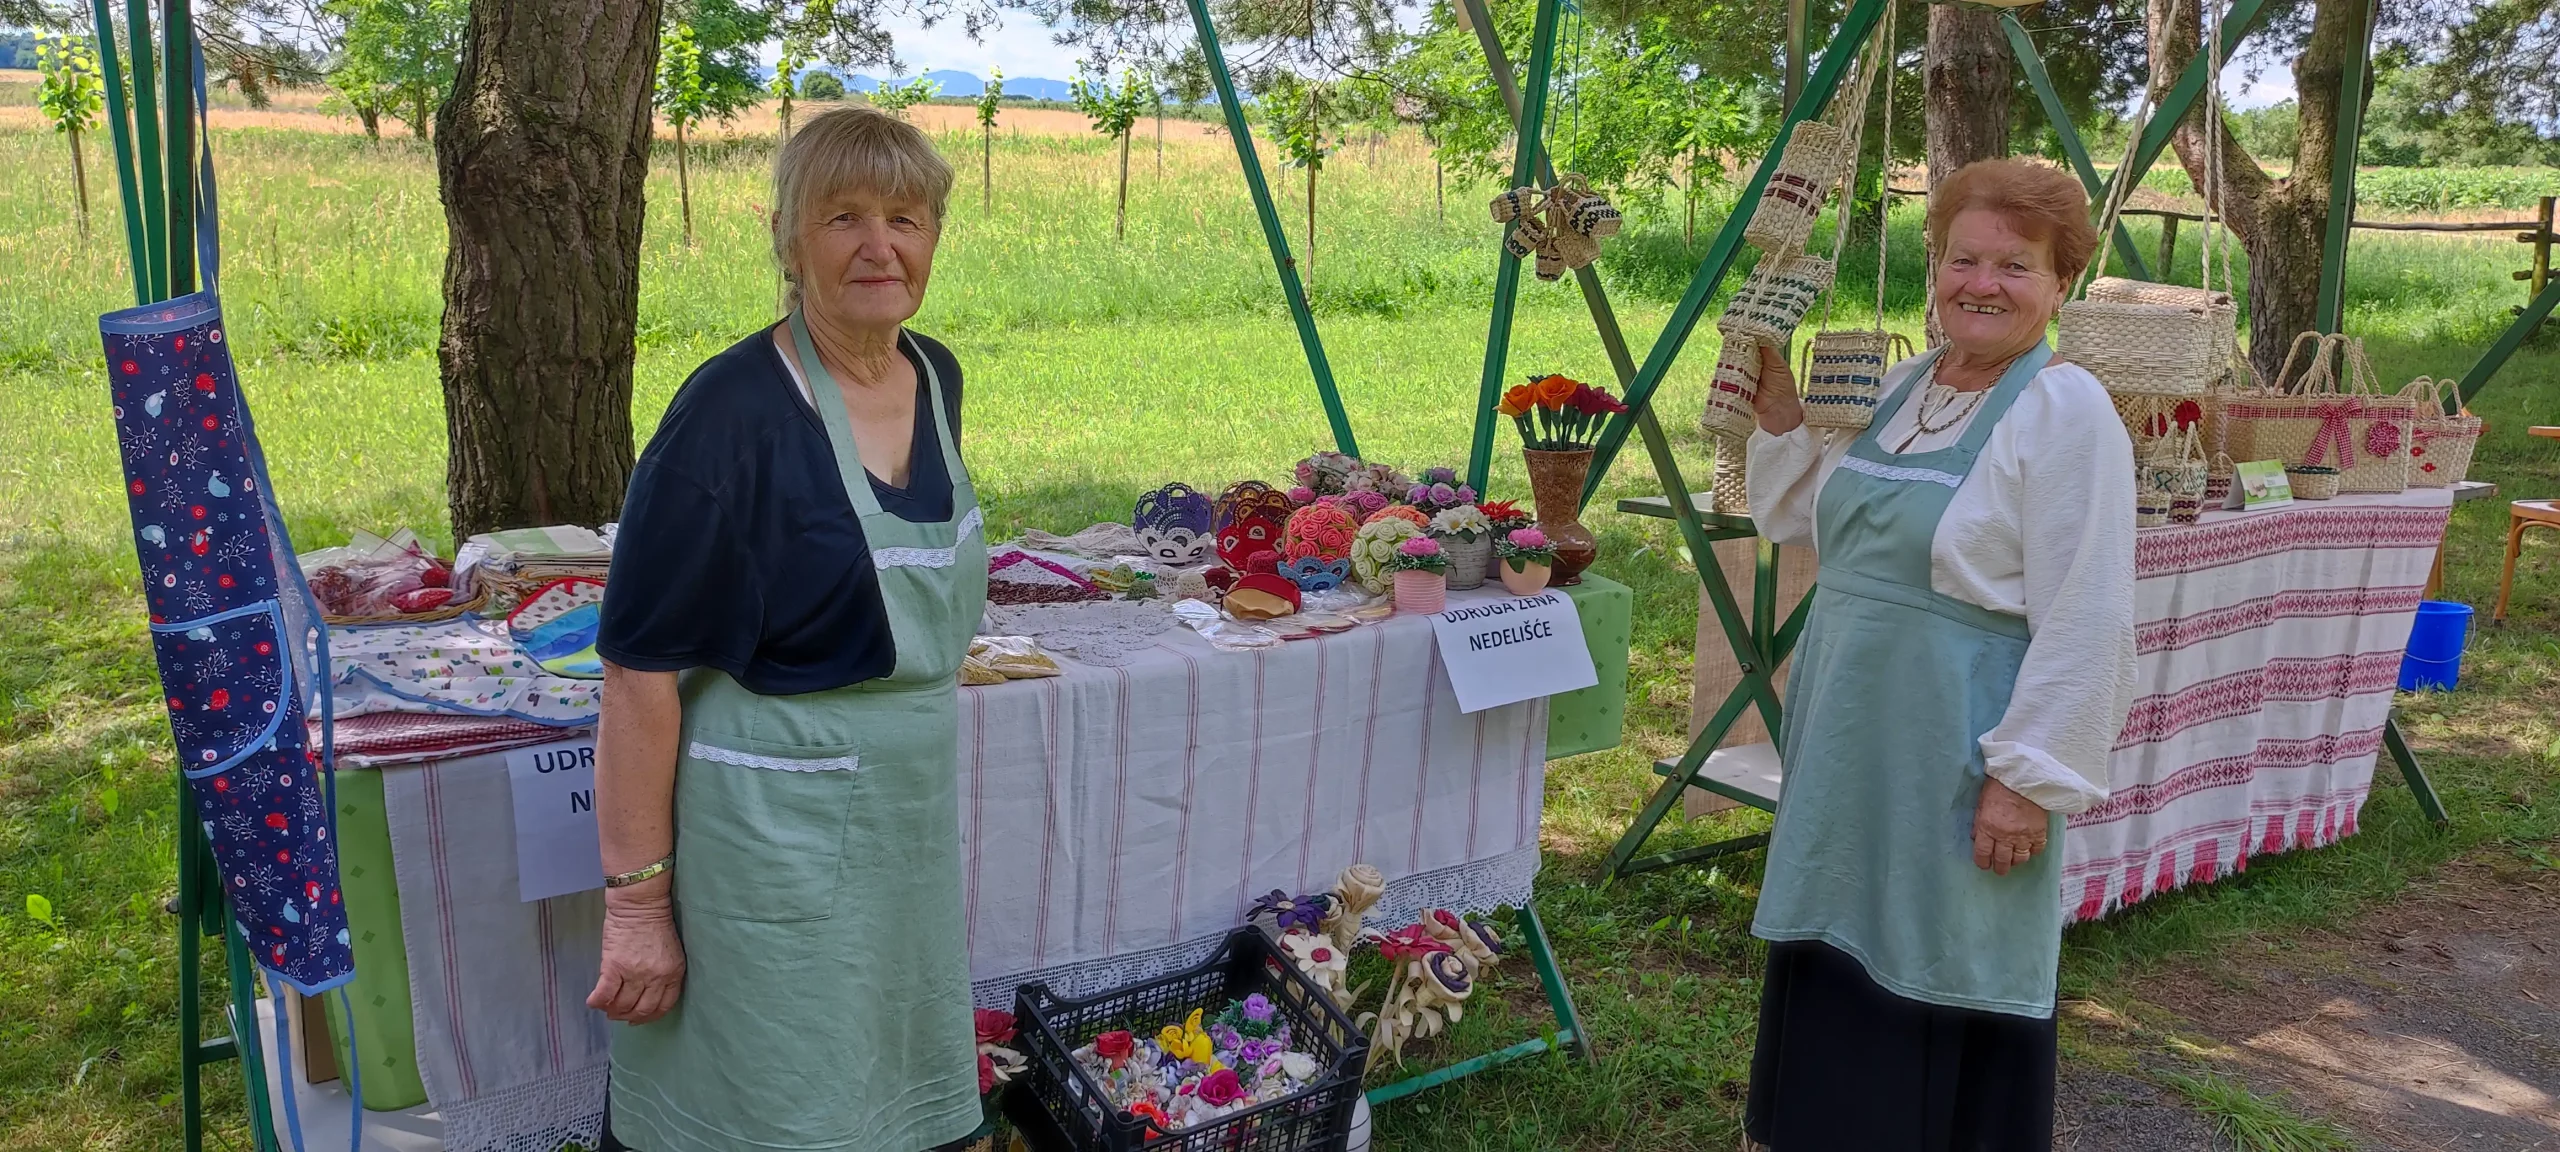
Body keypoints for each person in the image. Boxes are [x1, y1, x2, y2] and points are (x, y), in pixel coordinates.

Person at [585, 105, 987, 1152]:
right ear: (788, 238)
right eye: (842, 216)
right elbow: (637, 674)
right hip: (772, 830)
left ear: (934, 236)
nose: (877, 246)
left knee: (881, 1082)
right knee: (768, 1099)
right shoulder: (731, 413)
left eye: (904, 217)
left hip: (905, 821)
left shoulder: (934, 378)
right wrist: (637, 908)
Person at [1738, 157, 2138, 1152]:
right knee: (1840, 937)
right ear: (1936, 267)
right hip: (1849, 741)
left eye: (2014, 265)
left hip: (1956, 747)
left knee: (1937, 954)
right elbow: (1801, 516)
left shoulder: (2067, 410)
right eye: (1964, 258)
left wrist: (2026, 780)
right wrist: (1782, 407)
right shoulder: (1908, 384)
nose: (1982, 283)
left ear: (2060, 284)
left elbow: (2089, 615)